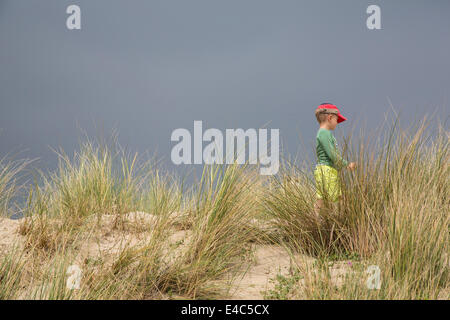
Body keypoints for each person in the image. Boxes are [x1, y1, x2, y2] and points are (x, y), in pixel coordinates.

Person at [313, 103, 356, 217]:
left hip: (323, 170)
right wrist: (346, 165)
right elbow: (332, 155)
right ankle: (336, 219)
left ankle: (317, 219)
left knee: (321, 198)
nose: (337, 123)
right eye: (337, 120)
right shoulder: (324, 134)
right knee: (336, 198)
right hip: (327, 170)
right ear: (330, 118)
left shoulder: (323, 133)